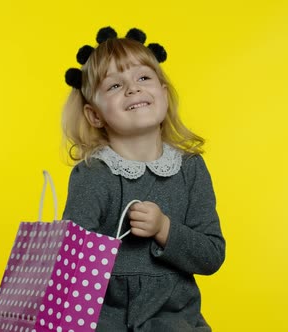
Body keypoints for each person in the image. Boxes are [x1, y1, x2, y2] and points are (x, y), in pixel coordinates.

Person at [61, 26, 225, 331]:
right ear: (95, 115)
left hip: (176, 320)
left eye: (143, 77)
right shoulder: (93, 173)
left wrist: (165, 229)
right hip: (104, 320)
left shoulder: (190, 168)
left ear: (163, 93)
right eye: (114, 86)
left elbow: (211, 255)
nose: (133, 89)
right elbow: (73, 265)